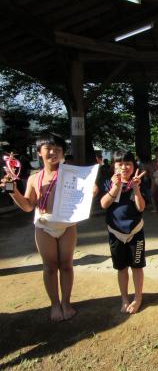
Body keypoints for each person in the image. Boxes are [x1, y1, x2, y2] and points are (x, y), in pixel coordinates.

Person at [0, 133, 77, 322]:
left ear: (63, 153)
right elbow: (27, 206)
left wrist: (92, 189)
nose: (53, 152)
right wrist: (12, 189)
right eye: (48, 148)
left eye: (58, 149)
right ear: (39, 152)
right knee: (50, 267)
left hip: (67, 224)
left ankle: (66, 302)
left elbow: (86, 193)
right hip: (44, 225)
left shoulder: (71, 174)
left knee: (66, 266)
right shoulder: (35, 178)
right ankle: (55, 304)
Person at [99, 150, 147, 313]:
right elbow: (104, 204)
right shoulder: (108, 182)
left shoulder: (140, 181)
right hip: (115, 233)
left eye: (128, 164)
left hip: (136, 231)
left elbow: (141, 207)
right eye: (120, 164)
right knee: (121, 268)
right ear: (113, 166)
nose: (124, 167)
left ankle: (138, 298)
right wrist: (116, 186)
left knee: (137, 267)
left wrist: (136, 189)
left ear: (134, 166)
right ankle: (125, 298)